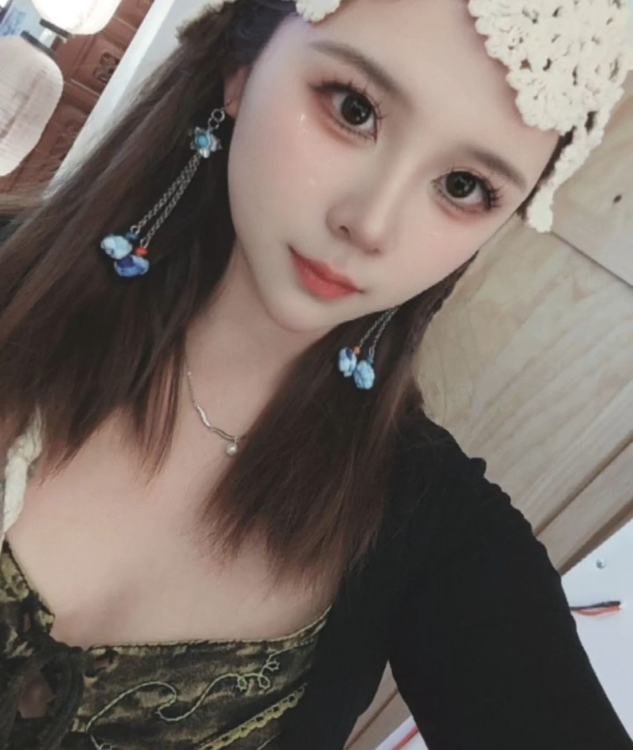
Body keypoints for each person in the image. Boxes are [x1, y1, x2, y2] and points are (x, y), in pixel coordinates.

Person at [0, 0, 631, 747]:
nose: (371, 223)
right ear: (242, 69)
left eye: (463, 186)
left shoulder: (441, 537)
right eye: (353, 109)